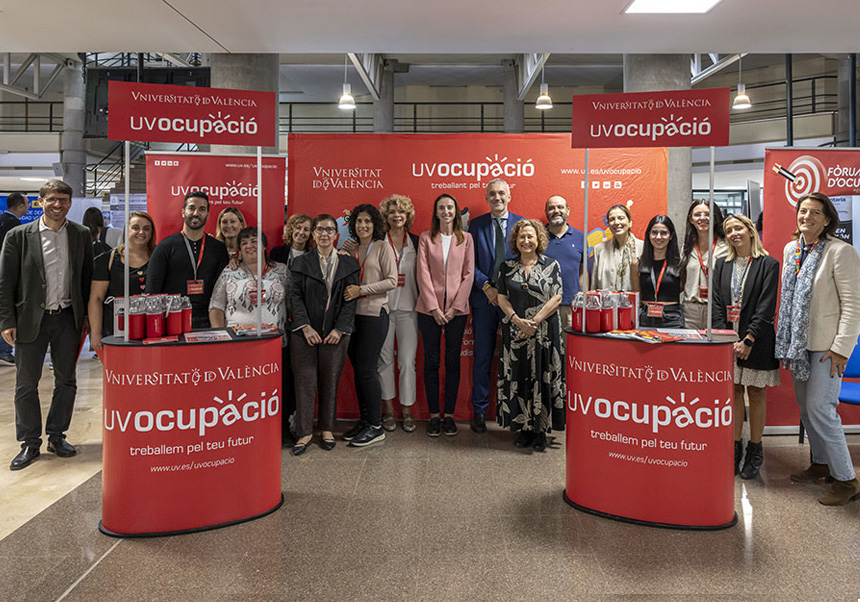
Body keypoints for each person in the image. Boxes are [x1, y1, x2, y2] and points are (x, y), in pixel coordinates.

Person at [0, 179, 93, 470]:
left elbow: (87, 279)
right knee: (26, 384)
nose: (57, 204)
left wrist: (88, 317)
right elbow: (5, 283)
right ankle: (29, 443)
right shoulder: (18, 236)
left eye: (63, 200)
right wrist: (6, 321)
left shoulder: (81, 234)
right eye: (52, 199)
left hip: (67, 319)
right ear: (41, 201)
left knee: (66, 380)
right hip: (29, 320)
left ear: (70, 202)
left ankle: (57, 435)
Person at [776, 192, 860, 506]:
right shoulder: (791, 249)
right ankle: (821, 464)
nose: (806, 216)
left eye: (815, 212)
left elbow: (853, 306)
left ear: (827, 220)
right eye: (803, 211)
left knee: (820, 410)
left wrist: (841, 349)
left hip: (826, 347)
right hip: (799, 345)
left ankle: (847, 479)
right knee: (806, 410)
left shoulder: (841, 251)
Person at [711, 214, 780, 480]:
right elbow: (717, 305)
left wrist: (748, 339)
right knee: (735, 392)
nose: (734, 233)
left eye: (738, 228)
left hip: (758, 340)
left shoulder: (768, 264)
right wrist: (726, 337)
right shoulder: (721, 264)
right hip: (729, 341)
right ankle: (735, 447)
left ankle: (755, 449)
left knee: (757, 393)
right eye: (729, 230)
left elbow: (766, 307)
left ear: (750, 231)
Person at [290, 214, 360, 455]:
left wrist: (340, 329)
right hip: (304, 333)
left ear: (336, 235)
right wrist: (305, 326)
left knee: (330, 380)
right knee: (305, 382)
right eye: (320, 229)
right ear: (313, 234)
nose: (324, 234)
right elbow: (295, 297)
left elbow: (351, 300)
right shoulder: (300, 263)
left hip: (335, 333)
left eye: (330, 230)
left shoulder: (350, 264)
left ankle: (327, 429)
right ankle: (305, 432)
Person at [496, 219, 564, 451]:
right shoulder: (507, 267)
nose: (526, 240)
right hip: (516, 332)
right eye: (521, 237)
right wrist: (517, 320)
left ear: (538, 240)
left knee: (542, 376)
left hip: (543, 331)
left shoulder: (551, 264)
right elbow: (501, 297)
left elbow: (557, 298)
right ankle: (523, 429)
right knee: (520, 377)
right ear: (516, 240)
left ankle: (540, 431)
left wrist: (534, 321)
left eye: (530, 236)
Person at [416, 194, 474, 437]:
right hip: (429, 311)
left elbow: (469, 274)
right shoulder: (426, 238)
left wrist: (455, 308)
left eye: (450, 207)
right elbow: (423, 272)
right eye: (442, 207)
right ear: (436, 212)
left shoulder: (466, 239)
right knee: (430, 362)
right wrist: (434, 308)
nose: (446, 211)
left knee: (452, 363)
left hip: (456, 312)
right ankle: (432, 416)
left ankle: (448, 415)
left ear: (456, 211)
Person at [468, 179, 524, 434]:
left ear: (509, 196)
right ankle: (479, 411)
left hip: (514, 302)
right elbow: (470, 263)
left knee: (516, 358)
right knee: (481, 357)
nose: (497, 197)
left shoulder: (522, 225)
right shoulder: (475, 225)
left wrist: (505, 292)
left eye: (502, 193)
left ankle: (515, 412)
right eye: (492, 194)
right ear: (486, 198)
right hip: (484, 300)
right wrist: (487, 288)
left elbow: (527, 260)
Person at [341, 203, 398, 447]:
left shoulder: (383, 247)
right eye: (358, 222)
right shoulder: (350, 248)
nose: (362, 226)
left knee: (366, 369)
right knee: (359, 370)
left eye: (367, 221)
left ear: (375, 225)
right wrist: (341, 255)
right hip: (351, 317)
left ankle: (376, 426)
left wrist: (361, 290)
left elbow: (392, 281)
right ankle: (365, 421)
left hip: (375, 314)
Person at [146, 191, 229, 329]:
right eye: (191, 208)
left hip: (209, 320)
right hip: (172, 319)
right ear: (183, 212)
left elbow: (224, 287)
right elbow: (152, 289)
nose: (196, 213)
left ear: (208, 215)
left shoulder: (218, 248)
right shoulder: (165, 246)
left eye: (202, 209)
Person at [377, 194, 420, 432]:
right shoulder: (377, 242)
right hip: (382, 309)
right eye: (392, 212)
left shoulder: (416, 240)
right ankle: (389, 411)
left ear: (407, 216)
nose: (397, 216)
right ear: (386, 216)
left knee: (406, 362)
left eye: (401, 212)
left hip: (409, 309)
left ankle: (407, 410)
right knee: (384, 361)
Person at [269, 212, 313, 445]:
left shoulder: (312, 255)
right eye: (297, 228)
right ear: (290, 230)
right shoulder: (277, 253)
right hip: (277, 319)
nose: (301, 233)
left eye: (306, 229)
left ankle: (295, 423)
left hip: (302, 321)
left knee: (295, 375)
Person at [88, 211, 156, 349]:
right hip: (114, 330)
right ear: (127, 230)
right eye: (135, 227)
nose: (141, 232)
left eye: (146, 228)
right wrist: (95, 333)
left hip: (151, 329)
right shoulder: (108, 260)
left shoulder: (159, 258)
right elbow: (96, 299)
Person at [209, 227, 289, 337]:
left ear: (264, 246)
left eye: (254, 241)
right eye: (244, 243)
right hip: (237, 341)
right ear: (240, 250)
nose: (249, 246)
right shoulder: (229, 272)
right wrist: (220, 334)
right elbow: (216, 307)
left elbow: (294, 303)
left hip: (274, 340)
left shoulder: (282, 271)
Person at [680, 199, 727, 330]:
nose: (702, 218)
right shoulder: (687, 247)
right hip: (690, 310)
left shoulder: (727, 246)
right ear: (690, 219)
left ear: (716, 218)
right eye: (697, 215)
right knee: (690, 349)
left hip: (717, 309)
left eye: (707, 214)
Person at [543, 195, 587, 330]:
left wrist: (583, 295)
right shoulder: (538, 237)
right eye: (552, 208)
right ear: (546, 212)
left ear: (568, 211)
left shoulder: (580, 237)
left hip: (571, 306)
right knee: (546, 350)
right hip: (543, 306)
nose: (556, 211)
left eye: (560, 207)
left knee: (570, 349)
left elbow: (582, 270)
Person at [635, 215, 684, 328]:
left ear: (671, 236)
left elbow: (682, 287)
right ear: (648, 235)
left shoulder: (680, 263)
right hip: (645, 317)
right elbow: (637, 293)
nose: (658, 237)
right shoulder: (637, 263)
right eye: (654, 232)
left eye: (663, 233)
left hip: (672, 318)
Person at [0, 192, 29, 364]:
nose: (27, 206)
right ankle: (5, 349)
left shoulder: (2, 219)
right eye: (26, 203)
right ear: (19, 206)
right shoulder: (13, 225)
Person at [591, 204, 643, 292]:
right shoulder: (599, 249)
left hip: (636, 304)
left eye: (621, 218)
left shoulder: (643, 248)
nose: (616, 222)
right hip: (607, 304)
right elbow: (594, 286)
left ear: (630, 222)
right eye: (612, 219)